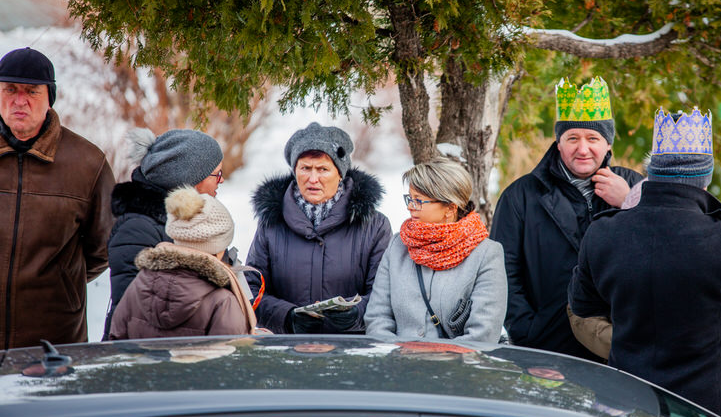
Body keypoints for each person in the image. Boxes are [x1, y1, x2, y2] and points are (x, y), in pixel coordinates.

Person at [568, 107, 721, 417]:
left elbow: (582, 305)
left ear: (652, 172)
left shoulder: (604, 230)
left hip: (629, 409)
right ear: (704, 180)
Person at [490, 76, 642, 359]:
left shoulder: (634, 186)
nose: (582, 149)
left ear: (608, 144)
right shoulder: (521, 195)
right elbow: (504, 271)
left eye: (593, 138)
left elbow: (661, 251)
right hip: (546, 349)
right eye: (572, 138)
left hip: (619, 346)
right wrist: (527, 334)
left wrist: (628, 202)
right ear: (558, 143)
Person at [0, 47, 114, 349]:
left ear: (50, 98)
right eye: (9, 89)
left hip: (55, 337)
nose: (19, 100)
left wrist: (64, 280)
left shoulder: (88, 163)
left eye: (32, 91)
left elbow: (103, 248)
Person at [246, 122, 391, 333]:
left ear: (340, 173)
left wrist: (356, 314)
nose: (313, 179)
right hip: (289, 351)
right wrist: (287, 317)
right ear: (295, 170)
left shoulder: (374, 225)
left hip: (351, 352)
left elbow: (383, 292)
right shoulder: (271, 223)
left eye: (323, 169)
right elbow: (252, 289)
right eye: (305, 168)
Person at [366, 158, 506, 343]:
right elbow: (377, 318)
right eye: (409, 199)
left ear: (450, 208)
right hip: (400, 366)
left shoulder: (486, 254)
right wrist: (397, 357)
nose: (410, 207)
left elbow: (483, 333)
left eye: (418, 201)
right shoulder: (398, 246)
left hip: (458, 368)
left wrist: (441, 365)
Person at [103, 128, 225, 339]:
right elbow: (138, 313)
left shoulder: (188, 223)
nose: (221, 181)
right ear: (190, 179)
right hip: (142, 359)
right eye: (217, 174)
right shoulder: (138, 229)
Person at [110, 187, 256, 339]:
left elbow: (116, 344)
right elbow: (231, 358)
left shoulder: (139, 284)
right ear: (217, 247)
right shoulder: (223, 302)